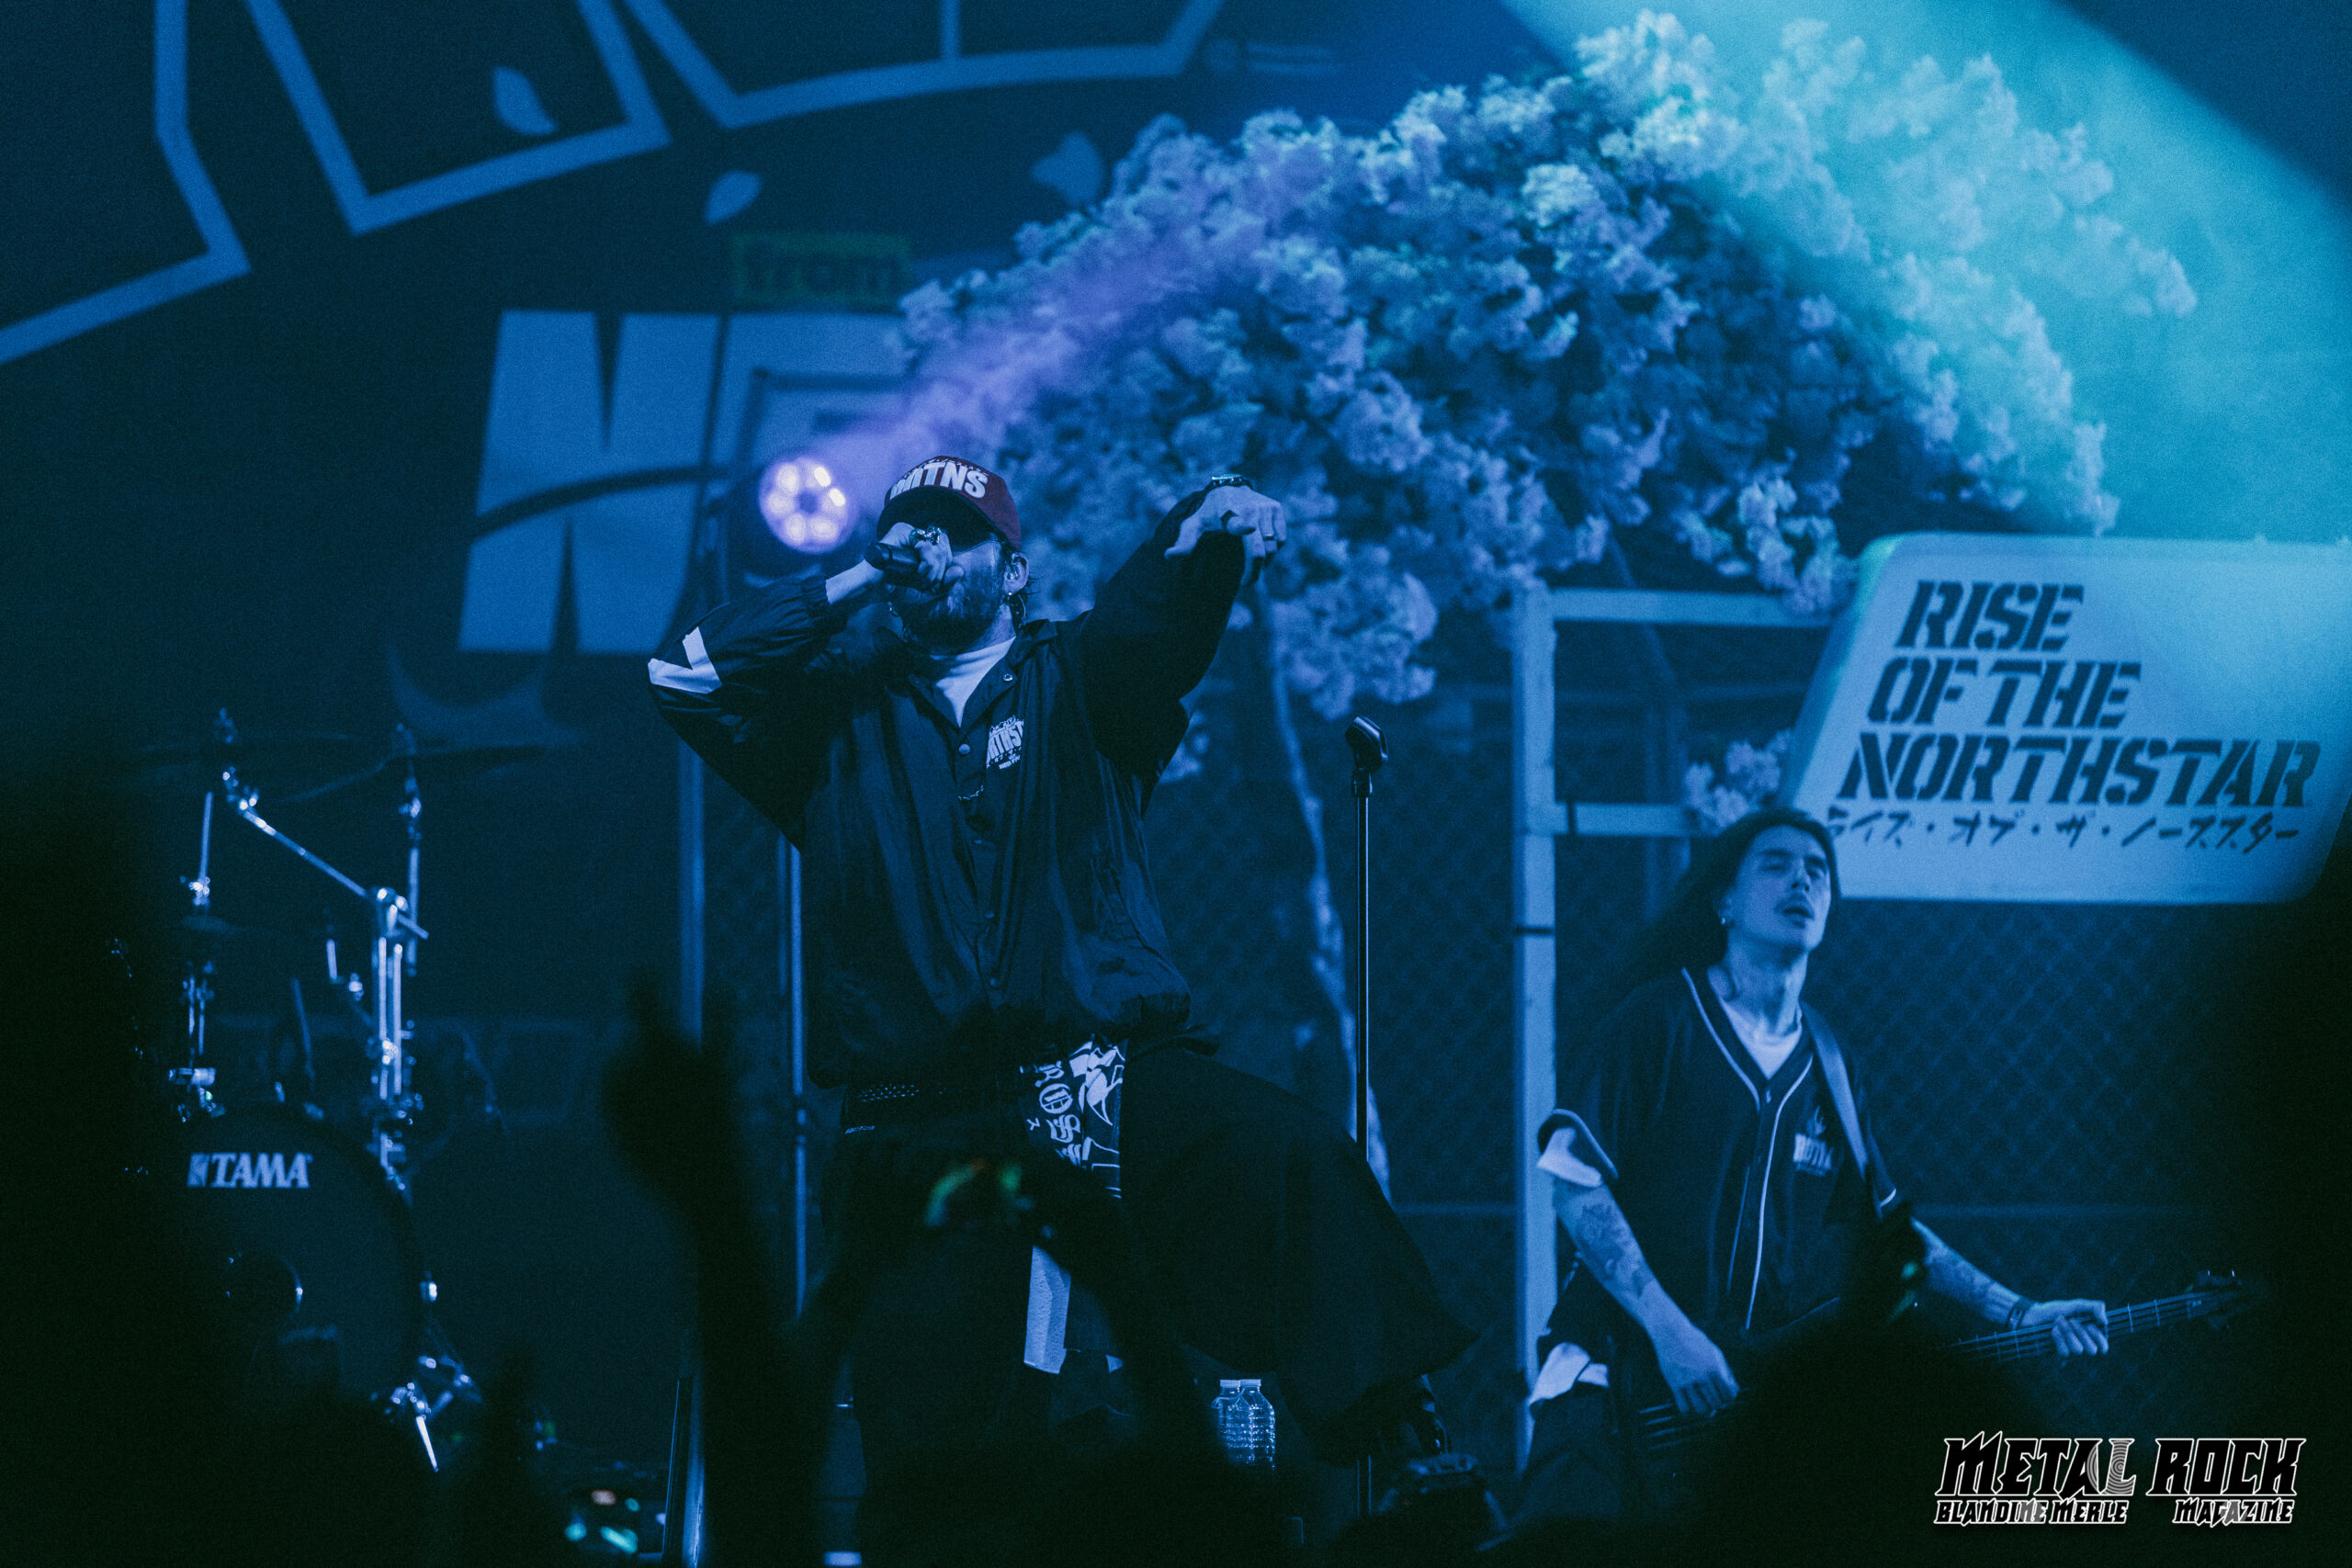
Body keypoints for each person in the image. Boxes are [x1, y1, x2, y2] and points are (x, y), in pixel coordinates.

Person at [650, 456, 1472, 1508]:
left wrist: (1201, 521)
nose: (928, 548)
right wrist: (856, 575)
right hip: (922, 1112)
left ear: (1014, 572)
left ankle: (1403, 1441)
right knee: (947, 1426)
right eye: (912, 530)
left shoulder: (1079, 680)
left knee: (1286, 1157)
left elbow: (1155, 625)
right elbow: (685, 677)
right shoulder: (836, 725)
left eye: (957, 534)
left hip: (1102, 1077)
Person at [1515, 807, 2109, 1523]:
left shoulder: (1830, 1060)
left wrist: (2021, 1310)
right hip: (1612, 1386)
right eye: (1776, 864)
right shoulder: (1659, 1018)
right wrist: (1671, 1332)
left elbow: (1890, 1232)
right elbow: (1574, 1183)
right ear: (1724, 900)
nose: (1801, 880)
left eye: (1818, 871)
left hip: (1730, 1409)